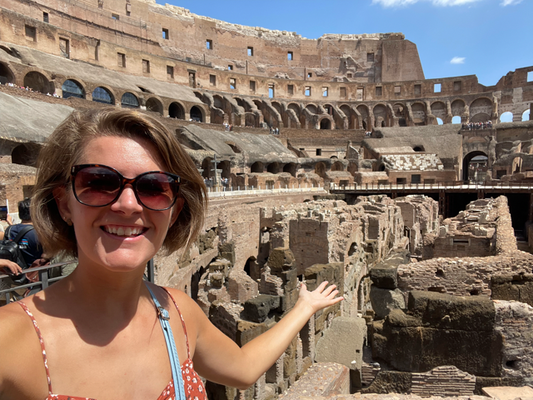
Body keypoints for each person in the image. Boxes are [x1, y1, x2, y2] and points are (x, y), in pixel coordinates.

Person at [0, 108, 342, 399]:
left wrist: (304, 307)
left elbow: (243, 369)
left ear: (175, 210)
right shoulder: (11, 341)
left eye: (153, 187)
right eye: (100, 181)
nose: (128, 205)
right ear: (64, 203)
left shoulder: (178, 312)